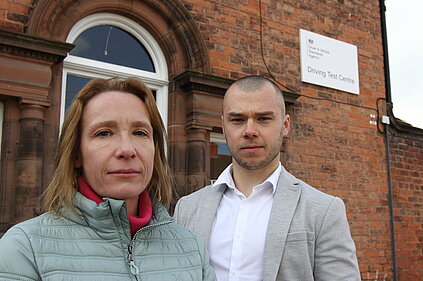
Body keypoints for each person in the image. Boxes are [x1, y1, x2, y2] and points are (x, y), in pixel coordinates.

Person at [0, 77, 216, 281]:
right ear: (76, 153)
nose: (127, 149)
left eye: (140, 133)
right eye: (104, 133)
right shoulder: (25, 247)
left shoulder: (192, 248)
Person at [174, 75, 361, 281]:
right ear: (224, 125)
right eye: (237, 119)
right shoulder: (187, 208)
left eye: (263, 118)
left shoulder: (323, 211)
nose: (250, 131)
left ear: (285, 125)